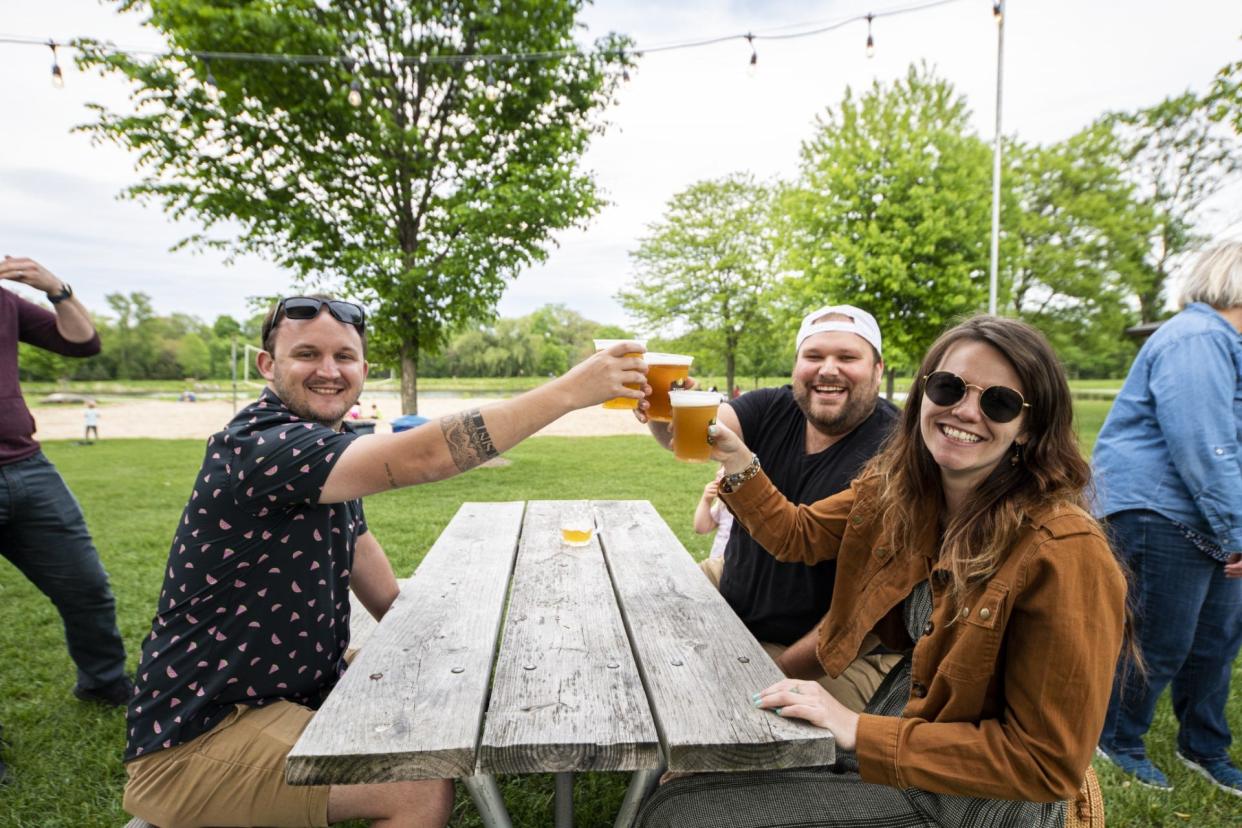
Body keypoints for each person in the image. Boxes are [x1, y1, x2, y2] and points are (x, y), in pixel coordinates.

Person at [121, 294, 647, 828]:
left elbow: (373, 573)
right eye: (307, 354)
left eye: (344, 358)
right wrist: (569, 392)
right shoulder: (260, 446)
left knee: (433, 684)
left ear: (364, 370)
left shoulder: (324, 450)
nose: (329, 371)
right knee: (415, 786)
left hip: (290, 697)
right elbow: (424, 455)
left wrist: (454, 642)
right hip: (198, 737)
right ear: (267, 365)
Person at [640, 316, 1128, 828]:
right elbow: (798, 535)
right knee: (694, 780)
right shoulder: (903, 490)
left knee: (682, 813)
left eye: (998, 402)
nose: (965, 410)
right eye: (949, 386)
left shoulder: (1066, 549)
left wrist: (856, 728)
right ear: (923, 394)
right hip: (896, 746)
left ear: (1028, 426)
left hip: (969, 806)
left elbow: (1045, 763)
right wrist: (739, 459)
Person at [641, 305, 900, 713]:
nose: (828, 369)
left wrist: (769, 672)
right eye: (814, 357)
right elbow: (688, 438)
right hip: (736, 588)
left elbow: (853, 621)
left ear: (878, 369)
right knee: (637, 631)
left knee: (725, 714)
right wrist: (660, 409)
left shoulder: (895, 452)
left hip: (830, 653)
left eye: (847, 357)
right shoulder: (771, 406)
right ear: (796, 365)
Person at [1092, 241, 1242, 796]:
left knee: (1217, 642)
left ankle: (1204, 746)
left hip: (1208, 518)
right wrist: (1238, 532)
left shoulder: (1225, 342)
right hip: (1158, 511)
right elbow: (1204, 444)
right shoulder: (1199, 337)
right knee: (1159, 641)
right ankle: (1118, 738)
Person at [0, 256, 130, 713]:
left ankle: (104, 683)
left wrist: (55, 288)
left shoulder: (5, 302)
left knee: (86, 586)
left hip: (26, 466)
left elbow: (82, 343)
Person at [693, 468, 734, 561]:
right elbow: (701, 528)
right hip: (715, 566)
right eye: (721, 466)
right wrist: (706, 500)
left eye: (727, 468)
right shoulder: (723, 505)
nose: (718, 472)